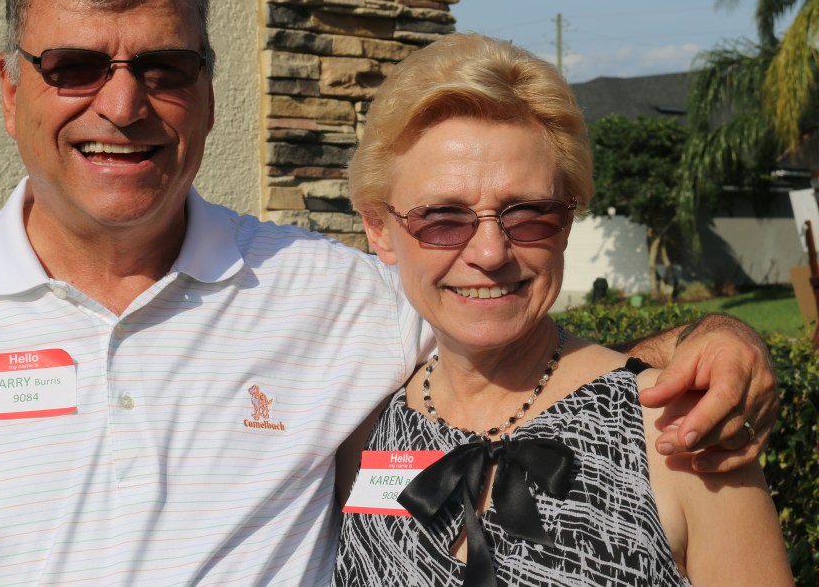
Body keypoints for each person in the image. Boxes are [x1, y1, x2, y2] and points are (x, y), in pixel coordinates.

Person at [0, 0, 777, 585]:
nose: (123, 104)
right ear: (12, 92)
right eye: (76, 66)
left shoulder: (327, 292)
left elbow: (511, 339)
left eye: (164, 68)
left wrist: (713, 338)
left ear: (208, 96)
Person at [334, 33, 792, 586]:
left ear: (567, 222)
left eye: (528, 213)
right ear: (379, 229)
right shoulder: (367, 433)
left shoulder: (677, 434)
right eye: (443, 218)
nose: (490, 253)